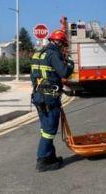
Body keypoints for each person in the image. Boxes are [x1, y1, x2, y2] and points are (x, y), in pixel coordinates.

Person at [30, 29, 74, 172]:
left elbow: (33, 77)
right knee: (49, 130)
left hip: (38, 96)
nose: (64, 48)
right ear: (59, 42)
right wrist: (70, 63)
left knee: (45, 128)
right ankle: (42, 160)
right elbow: (64, 73)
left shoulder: (38, 53)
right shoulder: (54, 54)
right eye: (63, 45)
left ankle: (50, 157)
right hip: (49, 98)